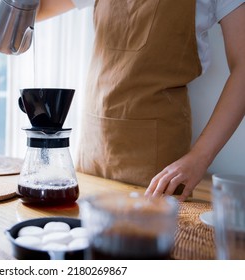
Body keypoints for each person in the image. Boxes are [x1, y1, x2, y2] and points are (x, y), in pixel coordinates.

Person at [35, 0, 245, 201]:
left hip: (157, 161)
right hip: (94, 150)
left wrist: (200, 158)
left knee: (150, 235)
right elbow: (38, 8)